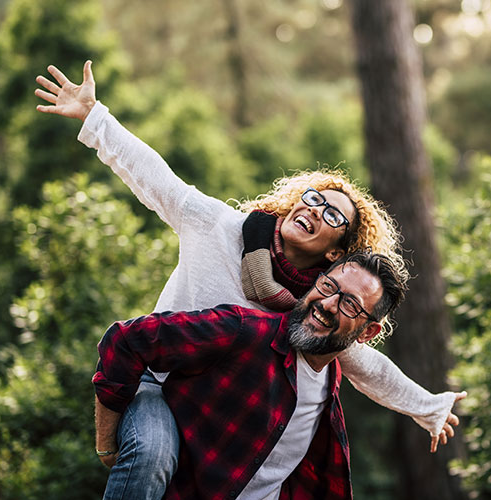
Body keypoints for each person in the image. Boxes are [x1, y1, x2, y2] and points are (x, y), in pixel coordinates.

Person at [35, 61, 465, 500]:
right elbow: (154, 177)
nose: (316, 210)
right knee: (153, 452)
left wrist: (427, 407)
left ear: (337, 252)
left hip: (213, 410)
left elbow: (364, 365)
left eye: (332, 215)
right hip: (160, 379)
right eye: (313, 199)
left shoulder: (318, 304)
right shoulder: (219, 227)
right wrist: (94, 116)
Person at [94, 252, 413, 499]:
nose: (328, 304)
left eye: (350, 305)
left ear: (368, 332)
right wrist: (107, 446)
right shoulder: (245, 331)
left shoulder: (330, 384)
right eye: (329, 286)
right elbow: (125, 339)